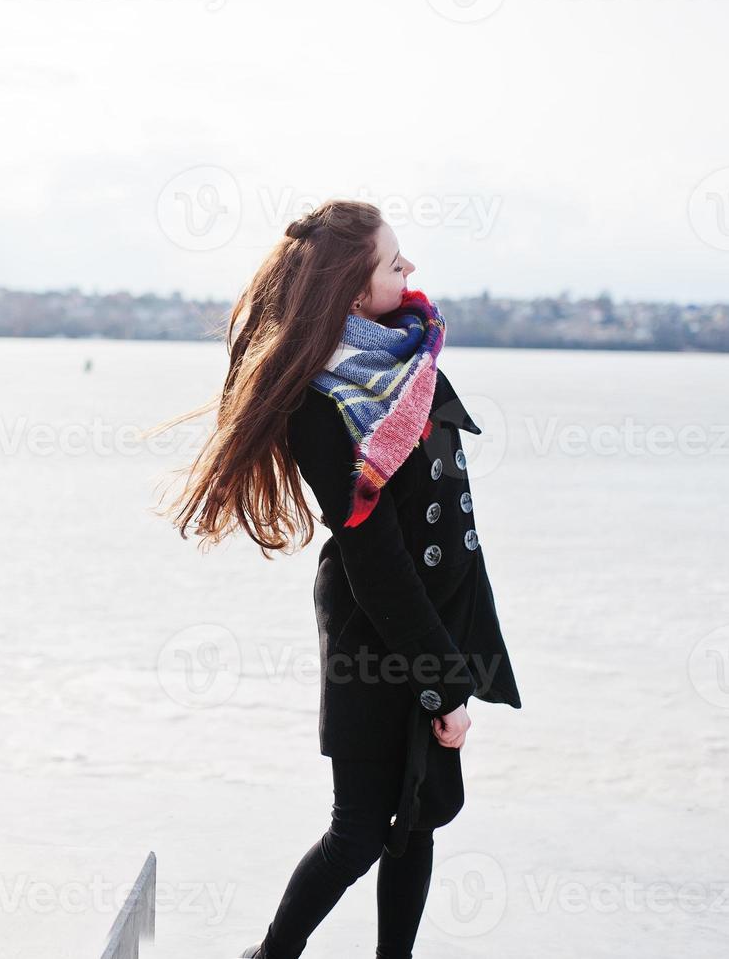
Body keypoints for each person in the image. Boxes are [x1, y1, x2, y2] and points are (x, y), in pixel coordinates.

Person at [152, 199, 522, 959]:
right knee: (359, 829)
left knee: (417, 818)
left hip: (439, 612)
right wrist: (443, 677)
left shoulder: (414, 363)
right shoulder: (320, 404)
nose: (410, 270)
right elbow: (375, 553)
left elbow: (450, 518)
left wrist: (459, 654)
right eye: (393, 262)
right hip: (373, 623)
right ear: (354, 292)